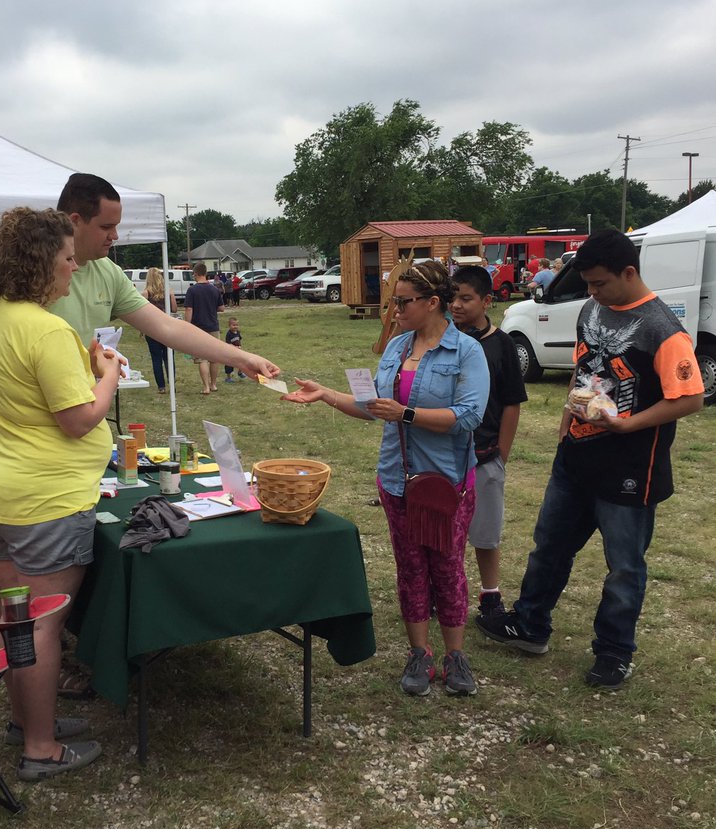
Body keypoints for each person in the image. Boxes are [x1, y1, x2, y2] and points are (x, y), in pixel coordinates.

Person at [478, 229, 704, 688]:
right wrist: (567, 417)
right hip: (576, 456)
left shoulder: (663, 329)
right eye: (588, 286)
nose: (593, 293)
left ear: (629, 272)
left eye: (600, 283)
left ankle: (614, 652)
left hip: (629, 469)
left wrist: (627, 424)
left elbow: (691, 398)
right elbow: (585, 367)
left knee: (623, 566)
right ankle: (530, 625)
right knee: (550, 546)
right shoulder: (591, 308)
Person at [284, 261, 489, 697]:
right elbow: (371, 406)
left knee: (448, 568)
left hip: (446, 483)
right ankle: (420, 654)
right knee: (411, 568)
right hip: (397, 480)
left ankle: (455, 657)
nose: (394, 309)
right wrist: (326, 395)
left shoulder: (466, 352)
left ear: (433, 303)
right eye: (394, 300)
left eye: (402, 301)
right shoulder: (396, 348)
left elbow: (470, 415)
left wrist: (408, 414)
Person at [0, 206, 122, 782]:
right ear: (40, 264)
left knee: (16, 617)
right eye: (65, 259)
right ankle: (40, 746)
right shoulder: (46, 327)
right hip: (45, 503)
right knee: (42, 625)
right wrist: (106, 372)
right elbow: (79, 419)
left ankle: (27, 722)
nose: (71, 269)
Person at [0, 173, 279, 390]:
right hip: (23, 424)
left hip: (71, 412)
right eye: (106, 226)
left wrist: (242, 358)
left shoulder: (108, 272)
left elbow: (168, 328)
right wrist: (74, 361)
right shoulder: (22, 273)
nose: (115, 236)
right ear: (75, 221)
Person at [450, 266, 527, 623]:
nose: (457, 305)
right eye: (452, 298)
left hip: (485, 456)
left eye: (466, 298)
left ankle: (490, 594)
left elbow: (512, 402)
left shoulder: (501, 345)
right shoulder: (443, 340)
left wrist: (502, 455)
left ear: (486, 301)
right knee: (443, 533)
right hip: (445, 456)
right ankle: (444, 589)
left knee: (485, 532)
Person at [184, 261, 225, 395]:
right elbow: (221, 308)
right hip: (213, 326)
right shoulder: (214, 289)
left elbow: (189, 309)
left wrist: (186, 325)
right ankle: (214, 384)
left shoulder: (192, 290)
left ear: (195, 274)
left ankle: (206, 387)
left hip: (198, 328)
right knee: (214, 358)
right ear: (206, 273)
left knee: (202, 359)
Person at [140, 268, 177, 394]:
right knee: (169, 357)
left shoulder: (145, 293)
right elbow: (174, 309)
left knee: (156, 358)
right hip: (167, 327)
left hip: (151, 329)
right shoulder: (167, 292)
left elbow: (141, 313)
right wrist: (171, 296)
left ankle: (161, 386)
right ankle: (172, 384)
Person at [224, 317, 247, 382]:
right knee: (229, 365)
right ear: (229, 326)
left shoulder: (238, 332)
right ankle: (228, 378)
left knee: (242, 361)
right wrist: (235, 347)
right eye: (233, 325)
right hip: (230, 352)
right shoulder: (229, 334)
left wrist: (239, 346)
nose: (235, 326)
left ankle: (240, 372)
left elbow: (239, 340)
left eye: (237, 325)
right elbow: (228, 343)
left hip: (238, 351)